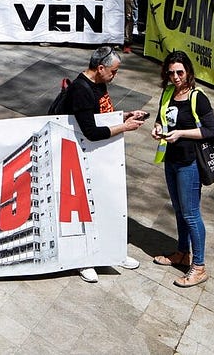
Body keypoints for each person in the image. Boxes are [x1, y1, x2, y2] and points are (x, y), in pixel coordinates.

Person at [55, 46, 149, 283]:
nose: (115, 76)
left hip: (100, 158)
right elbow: (92, 132)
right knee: (84, 211)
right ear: (100, 68)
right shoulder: (81, 91)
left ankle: (113, 252)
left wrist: (124, 116)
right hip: (80, 158)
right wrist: (124, 128)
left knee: (109, 205)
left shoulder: (99, 84)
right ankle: (84, 260)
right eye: (114, 71)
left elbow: (102, 115)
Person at [151, 50, 214, 288]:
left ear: (188, 71)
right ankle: (182, 253)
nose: (176, 77)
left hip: (190, 163)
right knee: (179, 210)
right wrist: (157, 127)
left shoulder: (198, 97)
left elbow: (211, 130)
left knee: (191, 214)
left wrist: (181, 134)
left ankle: (199, 267)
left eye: (180, 72)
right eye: (171, 73)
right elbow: (163, 119)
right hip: (171, 160)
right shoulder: (168, 92)